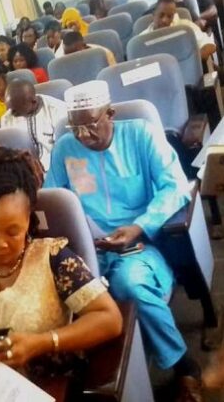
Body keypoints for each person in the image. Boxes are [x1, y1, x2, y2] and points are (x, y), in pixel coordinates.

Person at [45, 80, 203, 402]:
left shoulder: (141, 135)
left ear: (110, 114)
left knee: (129, 285)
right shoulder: (65, 147)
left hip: (141, 243)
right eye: (75, 128)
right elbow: (53, 198)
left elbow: (175, 186)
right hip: (88, 248)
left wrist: (138, 226)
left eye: (90, 125)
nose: (83, 136)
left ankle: (184, 365)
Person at [0, 147, 122, 369]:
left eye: (12, 232)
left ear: (28, 220)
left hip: (45, 380)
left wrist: (43, 343)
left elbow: (109, 318)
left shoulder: (53, 259)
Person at [1, 79, 66, 171]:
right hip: (23, 170)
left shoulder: (58, 110)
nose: (11, 113)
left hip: (55, 168)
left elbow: (62, 151)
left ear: (33, 102)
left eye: (15, 110)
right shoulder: (7, 118)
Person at [140, 0, 216, 61]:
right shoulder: (142, 39)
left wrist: (191, 61)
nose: (165, 20)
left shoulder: (186, 27)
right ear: (154, 15)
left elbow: (209, 45)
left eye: (169, 16)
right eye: (161, 15)